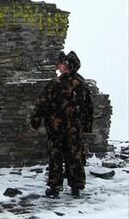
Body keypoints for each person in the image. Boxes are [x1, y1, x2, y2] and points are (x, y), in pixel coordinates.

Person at [30, 51, 94, 199]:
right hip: (75, 128)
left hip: (56, 127)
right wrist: (86, 127)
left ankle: (54, 188)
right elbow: (89, 108)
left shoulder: (56, 84)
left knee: (56, 156)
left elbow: (42, 104)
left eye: (62, 64)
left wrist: (35, 121)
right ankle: (76, 187)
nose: (59, 67)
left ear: (67, 66)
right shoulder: (82, 84)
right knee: (75, 156)